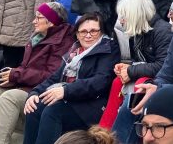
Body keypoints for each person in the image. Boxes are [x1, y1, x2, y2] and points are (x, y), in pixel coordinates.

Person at [0, 2, 74, 144]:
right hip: (24, 86)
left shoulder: (63, 41)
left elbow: (51, 75)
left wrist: (16, 75)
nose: (34, 21)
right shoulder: (37, 37)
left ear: (51, 21)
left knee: (9, 98)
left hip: (39, 92)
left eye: (38, 17)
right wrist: (13, 78)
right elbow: (24, 67)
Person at [23, 13, 120, 144]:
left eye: (93, 31)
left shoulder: (108, 49)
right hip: (69, 100)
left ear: (101, 32)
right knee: (34, 108)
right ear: (77, 34)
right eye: (83, 31)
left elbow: (100, 81)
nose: (88, 35)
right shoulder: (74, 51)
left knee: (53, 111)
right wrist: (35, 93)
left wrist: (65, 91)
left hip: (91, 105)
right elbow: (55, 77)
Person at [109, 0, 173, 144]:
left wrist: (131, 71)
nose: (121, 21)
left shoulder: (163, 31)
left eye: (124, 16)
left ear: (135, 14)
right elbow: (142, 61)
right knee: (117, 83)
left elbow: (163, 65)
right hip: (148, 79)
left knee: (133, 99)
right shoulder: (140, 31)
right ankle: (107, 133)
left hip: (159, 83)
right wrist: (127, 67)